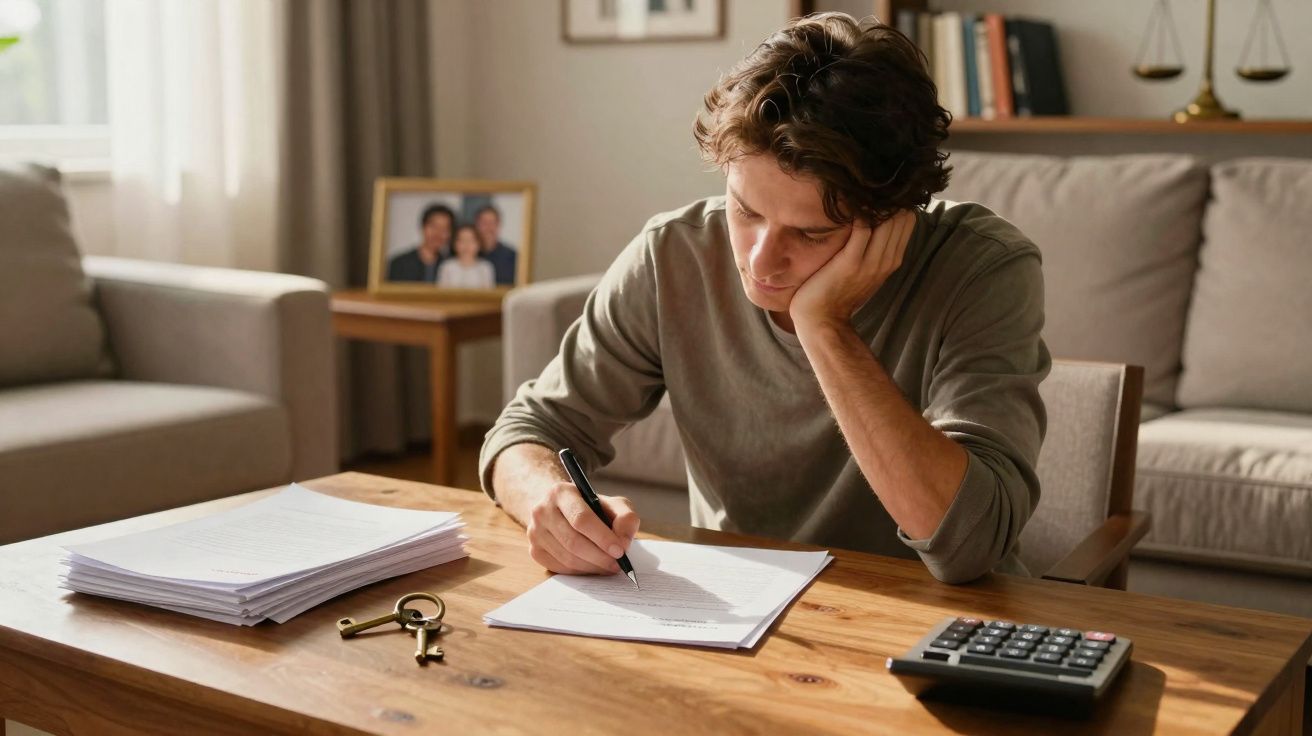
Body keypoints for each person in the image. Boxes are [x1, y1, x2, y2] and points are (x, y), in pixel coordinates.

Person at [478, 13, 1049, 585]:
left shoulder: (983, 269)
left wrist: (824, 325)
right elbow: (527, 430)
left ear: (893, 216)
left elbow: (970, 547)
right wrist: (547, 500)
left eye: (812, 232)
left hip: (928, 622)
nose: (759, 259)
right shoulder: (673, 255)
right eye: (746, 211)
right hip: (740, 616)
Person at [387, 203, 455, 282]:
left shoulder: (450, 265)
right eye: (434, 226)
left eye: (444, 229)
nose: (438, 233)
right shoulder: (399, 263)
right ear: (423, 227)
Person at [438, 224, 496, 289]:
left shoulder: (485, 268)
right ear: (454, 244)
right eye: (462, 240)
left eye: (471, 240)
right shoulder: (447, 266)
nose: (466, 245)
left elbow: (488, 294)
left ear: (479, 244)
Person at [474, 204, 518, 286]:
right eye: (484, 223)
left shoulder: (512, 256)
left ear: (499, 225)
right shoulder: (468, 254)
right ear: (477, 225)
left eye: (492, 223)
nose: (489, 228)